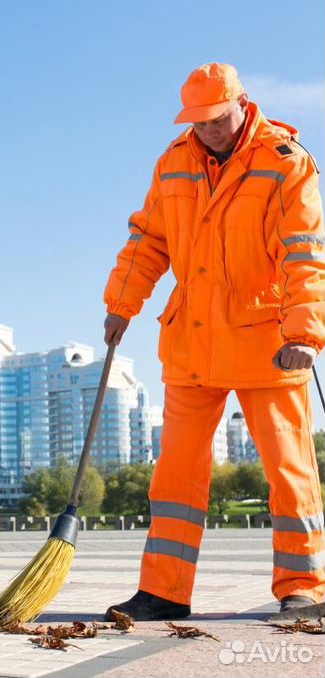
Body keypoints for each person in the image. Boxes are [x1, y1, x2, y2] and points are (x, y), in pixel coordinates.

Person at [102, 63, 325, 622]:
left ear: (242, 104)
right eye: (199, 123)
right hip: (192, 342)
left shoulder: (284, 162)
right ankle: (163, 591)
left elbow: (305, 251)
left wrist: (304, 331)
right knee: (175, 475)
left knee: (288, 470)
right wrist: (121, 303)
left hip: (267, 345)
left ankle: (304, 587)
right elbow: (147, 239)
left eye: (218, 120)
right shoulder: (173, 161)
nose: (209, 131)